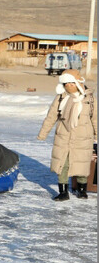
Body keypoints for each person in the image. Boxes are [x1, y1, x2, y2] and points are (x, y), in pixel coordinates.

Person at [38, 68, 97, 200]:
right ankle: (63, 192)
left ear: (78, 82)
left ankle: (82, 190)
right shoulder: (61, 98)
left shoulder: (90, 99)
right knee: (62, 165)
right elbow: (51, 116)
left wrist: (96, 136)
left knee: (81, 164)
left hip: (83, 137)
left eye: (71, 83)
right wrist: (43, 133)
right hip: (63, 136)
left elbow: (95, 119)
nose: (69, 86)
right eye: (66, 84)